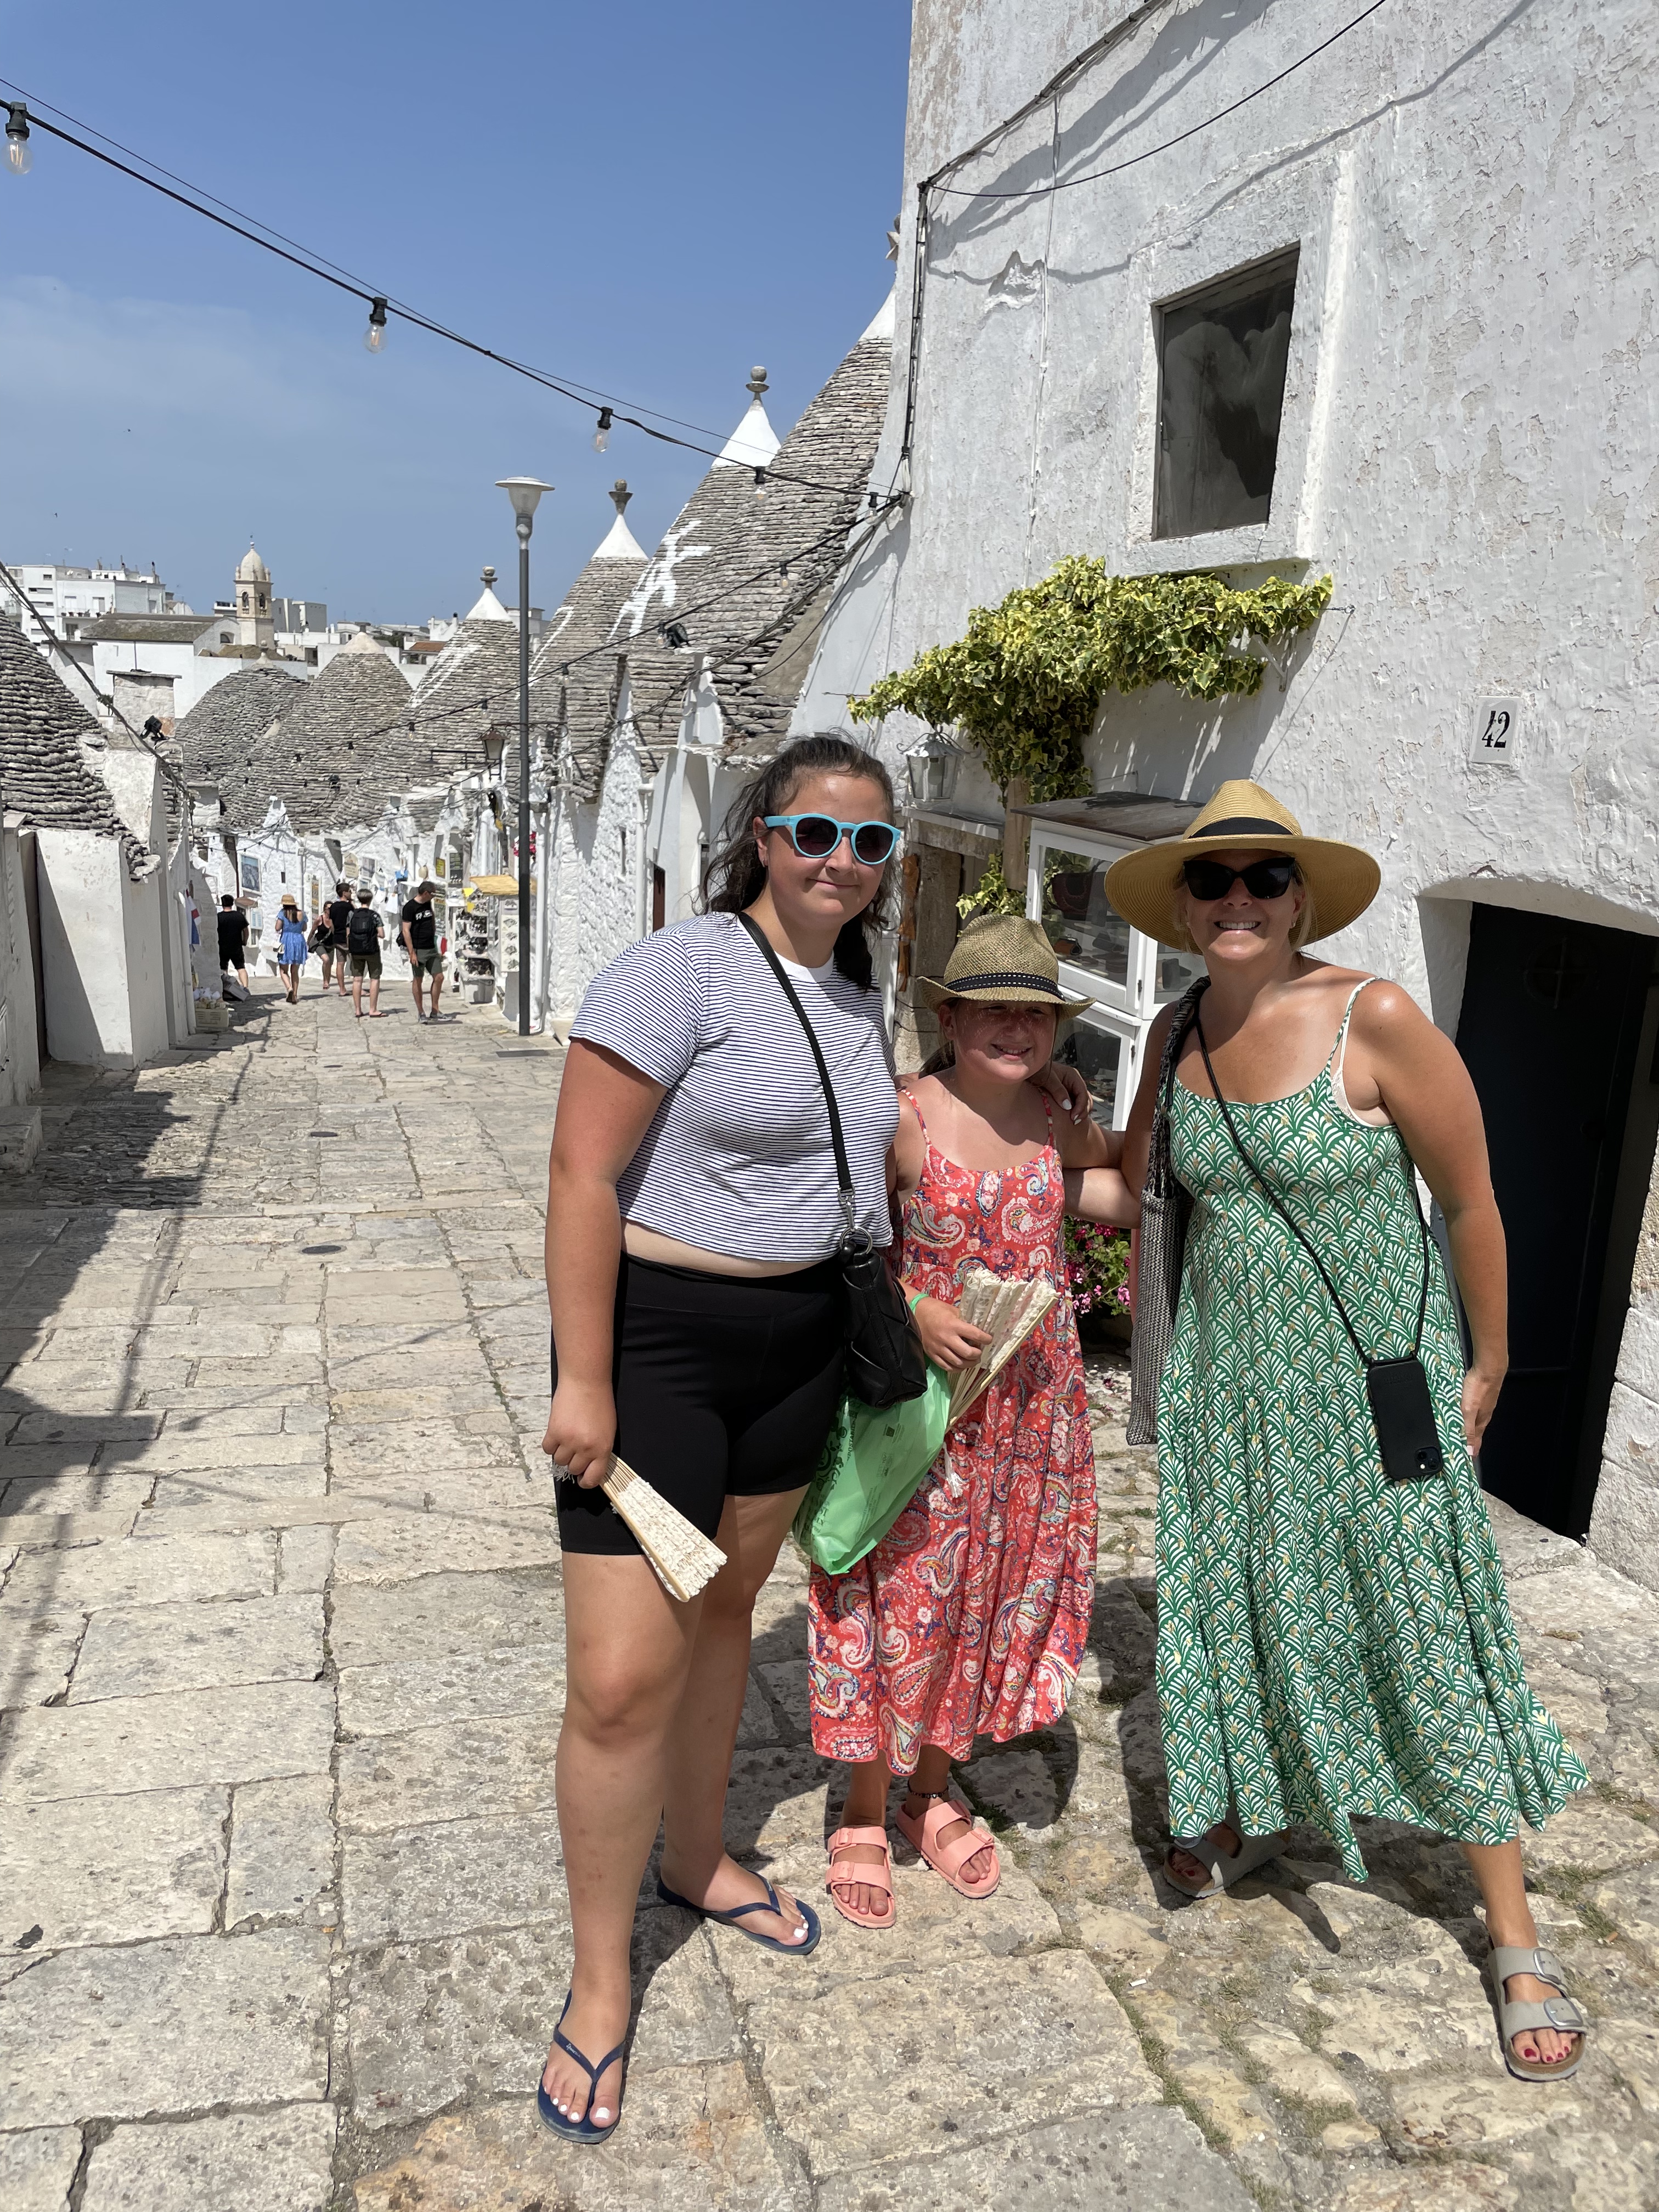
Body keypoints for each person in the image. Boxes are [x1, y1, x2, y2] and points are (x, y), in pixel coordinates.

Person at [534, 737, 1090, 2141]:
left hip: (798, 1349)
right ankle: (599, 1986)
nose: (841, 861)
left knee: (725, 1615)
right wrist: (586, 1379)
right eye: (814, 834)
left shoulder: (853, 995)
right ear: (764, 838)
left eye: (871, 842)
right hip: (662, 1344)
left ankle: (698, 1858)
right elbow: (582, 1171)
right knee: (620, 1679)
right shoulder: (681, 969)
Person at [1113, 778, 1589, 2083]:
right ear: (1183, 908)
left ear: (1302, 899)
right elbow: (1133, 1182)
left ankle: (1513, 1935)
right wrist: (970, 1138)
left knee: (1423, 1620)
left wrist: (1491, 1361)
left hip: (1377, 1390)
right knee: (1250, 1601)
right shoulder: (1174, 1033)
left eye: (1265, 878)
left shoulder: (1372, 1018)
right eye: (1213, 881)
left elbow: (1474, 1201)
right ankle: (1260, 1811)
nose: (1239, 899)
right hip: (1232, 1388)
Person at [809, 917, 1138, 1929]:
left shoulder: (1049, 1119)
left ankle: (928, 1789)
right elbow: (838, 1235)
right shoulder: (905, 1116)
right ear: (948, 1019)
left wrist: (1150, 1078)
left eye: (1034, 1014)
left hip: (1029, 1418)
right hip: (926, 1415)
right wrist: (914, 1305)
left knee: (984, 1599)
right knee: (902, 1598)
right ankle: (862, 1807)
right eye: (990, 1009)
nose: (1014, 1027)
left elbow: (1127, 1184)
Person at [401, 881, 445, 1022]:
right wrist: (412, 953)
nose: (433, 896)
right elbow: (406, 931)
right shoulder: (410, 907)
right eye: (432, 894)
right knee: (418, 979)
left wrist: (436, 942)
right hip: (418, 949)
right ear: (426, 893)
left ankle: (435, 1010)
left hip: (431, 948)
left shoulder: (428, 904)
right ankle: (421, 1012)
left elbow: (432, 921)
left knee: (439, 977)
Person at [346, 889, 385, 1019]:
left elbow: (348, 933)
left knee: (357, 979)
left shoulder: (352, 914)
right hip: (372, 950)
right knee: (374, 978)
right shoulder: (374, 915)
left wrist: (350, 948)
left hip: (356, 950)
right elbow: (382, 934)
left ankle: (358, 1010)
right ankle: (373, 1009)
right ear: (370, 900)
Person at [274, 896, 309, 1003]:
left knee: (283, 970)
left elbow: (277, 928)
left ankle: (289, 988)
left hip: (286, 941)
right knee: (295, 971)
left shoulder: (283, 913)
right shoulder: (302, 914)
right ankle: (295, 996)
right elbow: (304, 928)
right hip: (299, 941)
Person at [324, 879, 354, 998]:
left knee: (340, 964)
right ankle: (358, 987)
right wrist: (352, 903)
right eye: (349, 891)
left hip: (337, 938)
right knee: (356, 963)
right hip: (348, 938)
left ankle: (342, 989)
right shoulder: (349, 906)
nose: (351, 893)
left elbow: (331, 923)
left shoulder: (334, 907)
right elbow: (354, 918)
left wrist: (335, 933)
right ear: (344, 893)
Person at [216, 895, 250, 991]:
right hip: (236, 946)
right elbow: (246, 931)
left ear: (222, 904)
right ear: (232, 903)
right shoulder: (239, 916)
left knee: (223, 969)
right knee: (241, 968)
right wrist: (244, 941)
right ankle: (245, 988)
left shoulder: (218, 917)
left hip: (222, 946)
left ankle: (225, 989)